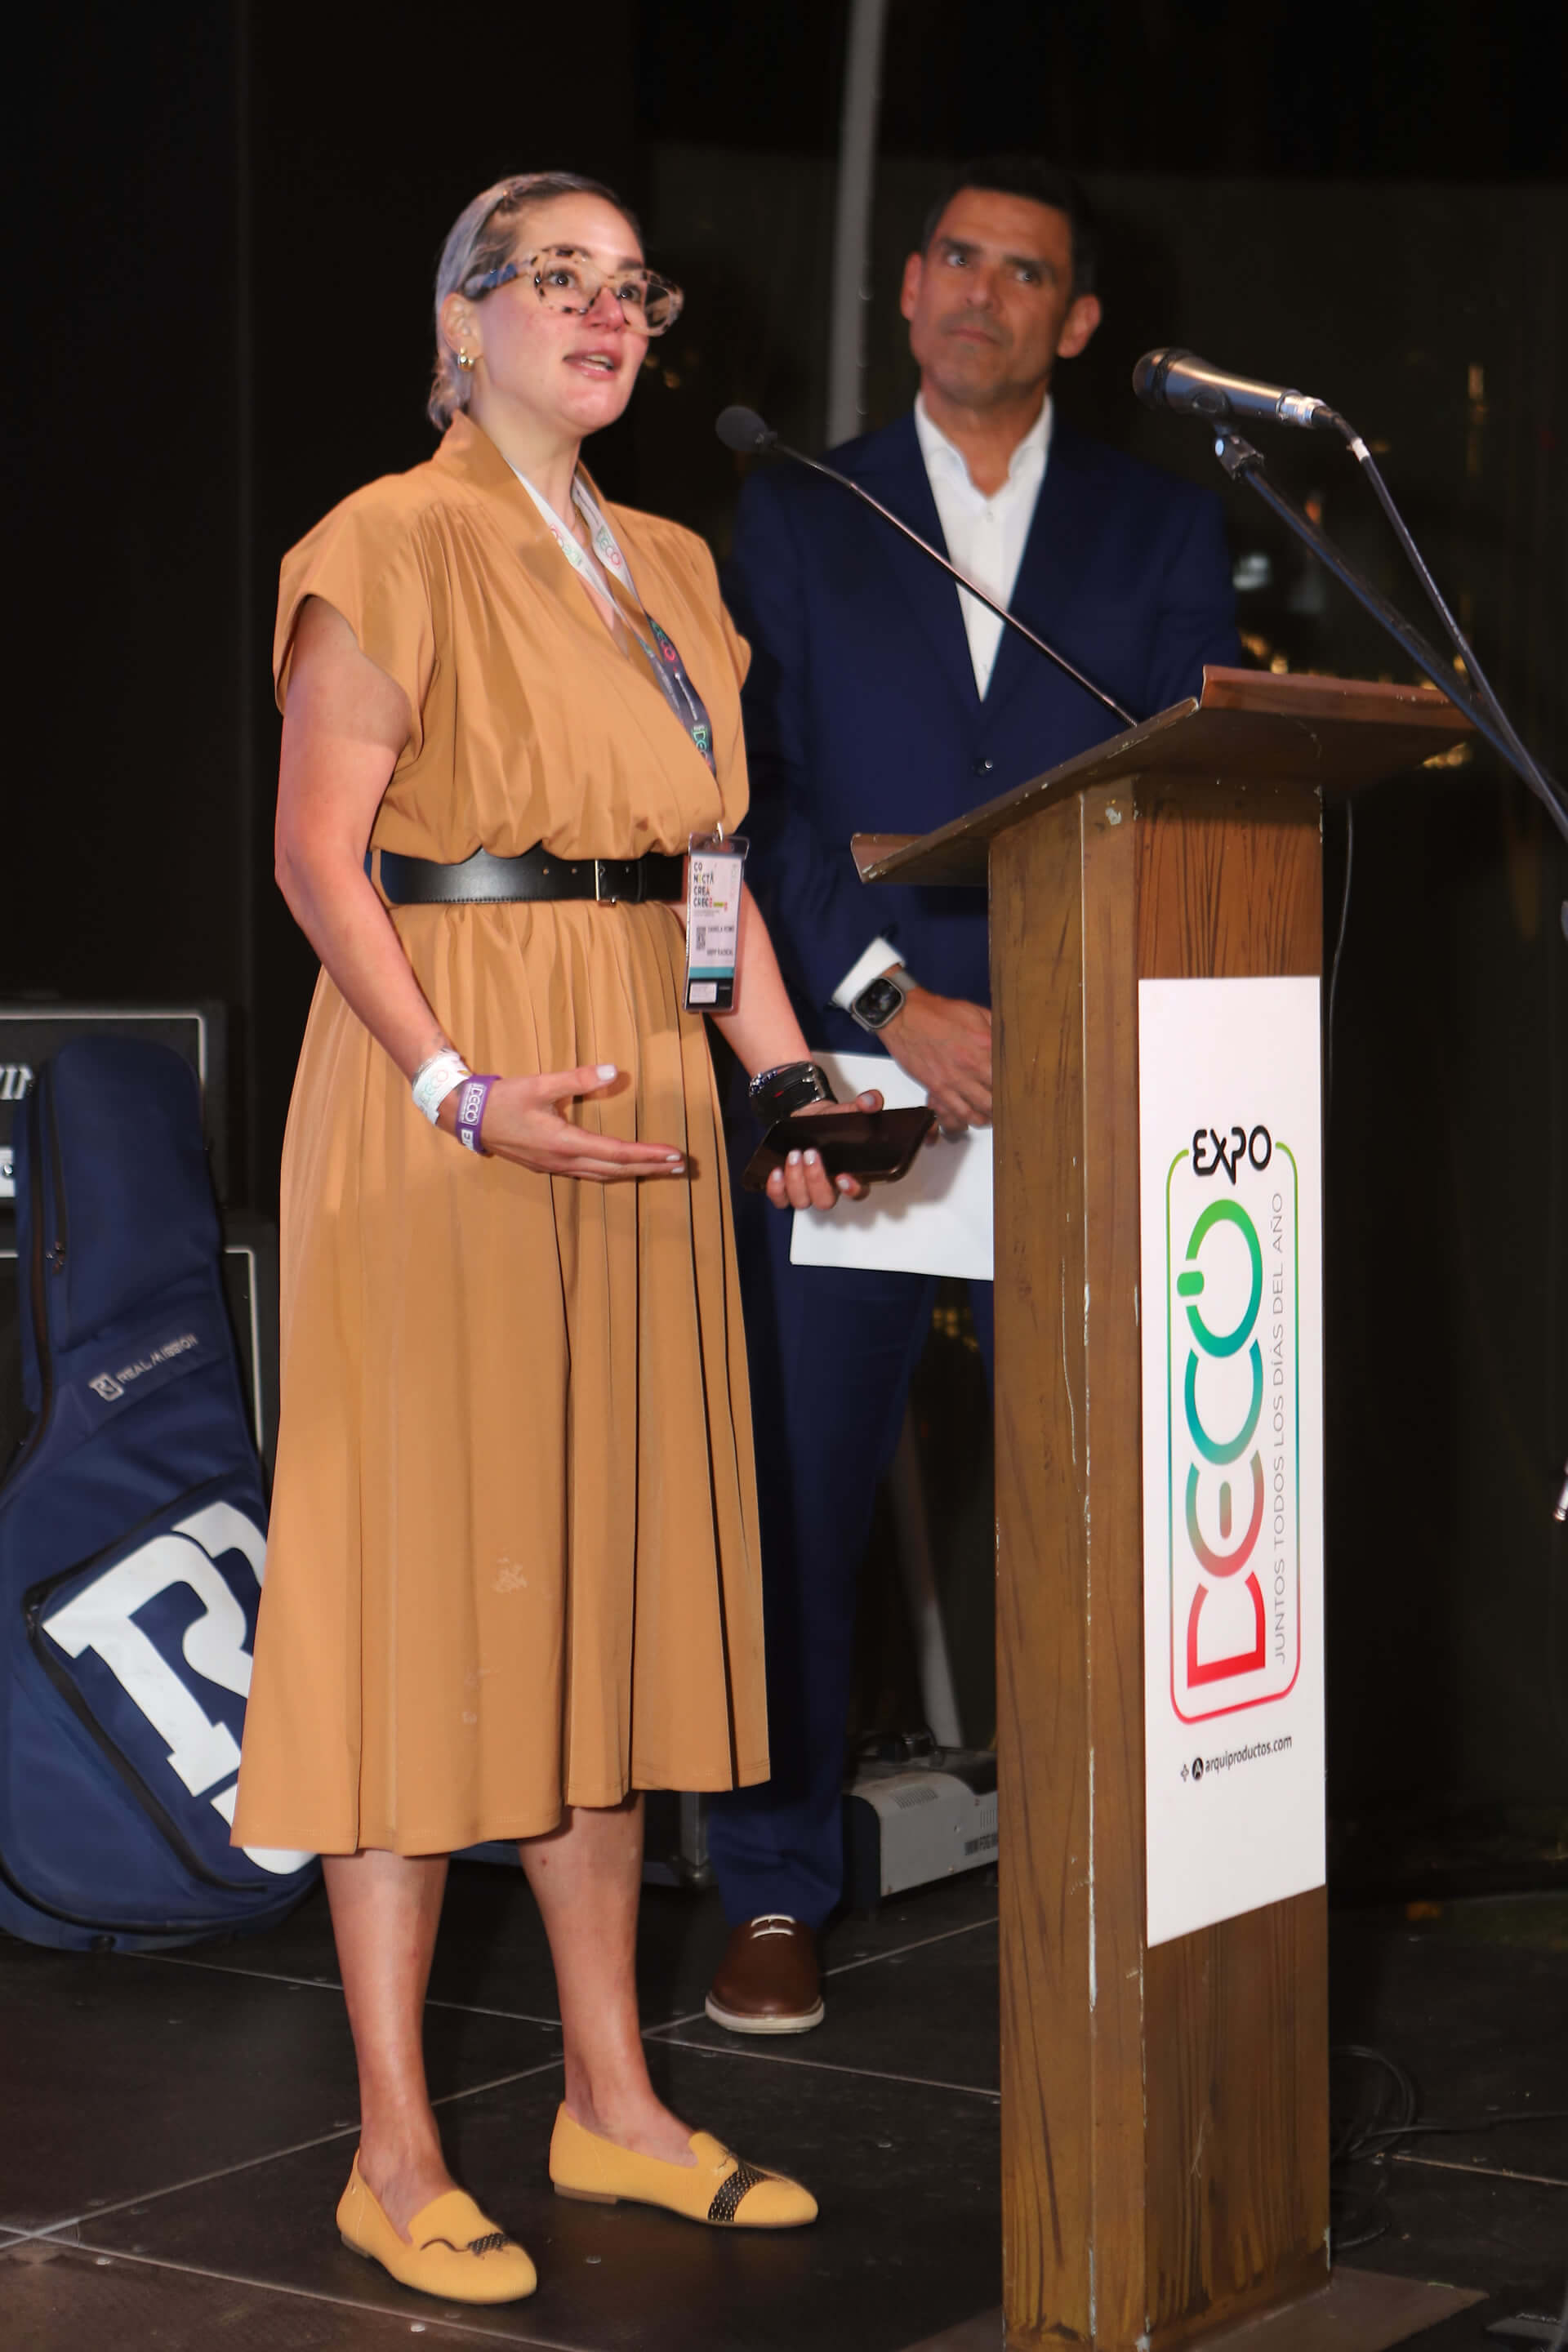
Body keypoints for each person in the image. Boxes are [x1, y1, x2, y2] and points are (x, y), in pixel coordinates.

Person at [232, 170, 881, 2308]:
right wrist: (453, 1086)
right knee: (428, 1606)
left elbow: (706, 877)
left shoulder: (678, 563)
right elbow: (318, 859)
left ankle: (611, 2099)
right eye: (558, 281)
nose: (607, 315)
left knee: (595, 1594)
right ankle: (392, 2148)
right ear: (463, 318)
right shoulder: (385, 539)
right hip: (448, 1086)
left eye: (631, 288)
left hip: (641, 1092)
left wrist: (782, 1073)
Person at [705, 158, 1241, 2035]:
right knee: (798, 1496)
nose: (976, 290)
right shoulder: (801, 504)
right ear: (907, 284)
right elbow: (749, 799)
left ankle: (1115, 1885)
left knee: (1110, 1505)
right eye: (953, 256)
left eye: (1022, 272)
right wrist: (891, 1000)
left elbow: (1197, 779)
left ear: (1075, 321)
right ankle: (773, 1887)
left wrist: (1061, 1012)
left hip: (1084, 1072)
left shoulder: (1163, 527)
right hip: (857, 1058)